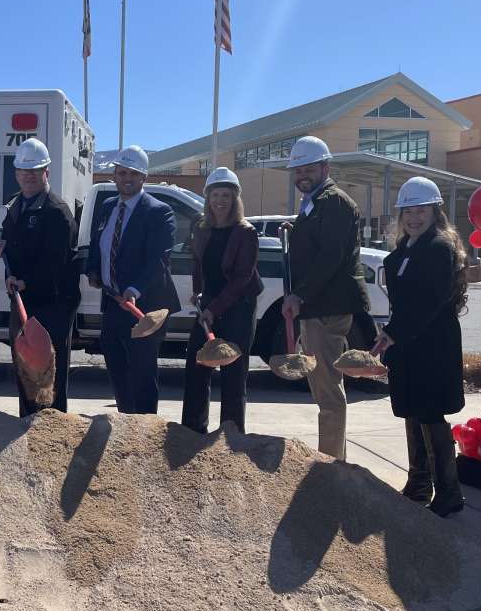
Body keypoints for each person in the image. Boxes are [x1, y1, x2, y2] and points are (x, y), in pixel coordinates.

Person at [374, 177, 467, 517]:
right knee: (412, 409)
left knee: (429, 411)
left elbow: (430, 301)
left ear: (435, 211)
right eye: (408, 211)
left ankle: (448, 492)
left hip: (433, 343)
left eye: (421, 210)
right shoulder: (401, 253)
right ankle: (418, 483)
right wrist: (390, 335)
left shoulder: (439, 248)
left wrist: (394, 332)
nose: (414, 217)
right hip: (408, 342)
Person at [280, 136, 370, 460]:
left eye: (308, 168)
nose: (302, 174)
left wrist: (299, 295)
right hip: (317, 305)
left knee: (328, 388)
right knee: (325, 385)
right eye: (297, 169)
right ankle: (334, 460)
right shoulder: (314, 201)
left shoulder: (334, 201)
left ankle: (331, 466)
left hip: (327, 306)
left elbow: (331, 256)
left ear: (325, 167)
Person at [85, 145, 181, 414]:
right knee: (117, 367)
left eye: (132, 173)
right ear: (114, 175)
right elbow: (98, 243)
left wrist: (135, 288)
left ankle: (145, 432)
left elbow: (157, 258)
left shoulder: (158, 212)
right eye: (120, 172)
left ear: (143, 177)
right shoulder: (106, 207)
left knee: (142, 373)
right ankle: (126, 423)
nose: (125, 178)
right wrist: (93, 269)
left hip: (145, 308)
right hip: (113, 302)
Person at [1, 138, 81, 416]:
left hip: (51, 308)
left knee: (49, 377)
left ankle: (51, 436)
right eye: (24, 171)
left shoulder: (56, 212)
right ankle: (27, 427)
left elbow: (57, 263)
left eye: (35, 171)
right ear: (16, 174)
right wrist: (9, 268)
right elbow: (11, 245)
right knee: (25, 371)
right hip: (22, 303)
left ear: (46, 172)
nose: (29, 176)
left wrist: (27, 282)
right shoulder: (15, 208)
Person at [181, 167, 262, 434]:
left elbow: (241, 278)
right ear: (208, 197)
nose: (220, 200)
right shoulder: (202, 227)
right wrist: (198, 291)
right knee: (197, 364)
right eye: (215, 194)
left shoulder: (245, 232)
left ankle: (231, 434)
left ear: (235, 198)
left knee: (233, 373)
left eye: (226, 195)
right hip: (211, 302)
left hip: (239, 305)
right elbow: (198, 262)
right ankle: (193, 431)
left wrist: (214, 309)